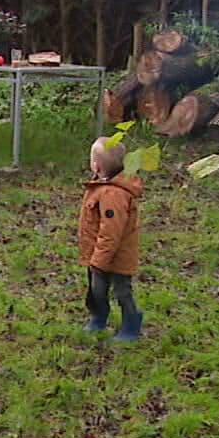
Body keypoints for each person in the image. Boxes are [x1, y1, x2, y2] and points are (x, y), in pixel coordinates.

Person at [79, 137, 146, 341]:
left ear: (96, 165)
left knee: (121, 291)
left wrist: (99, 260)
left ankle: (131, 324)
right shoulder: (101, 186)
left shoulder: (113, 195)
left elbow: (111, 232)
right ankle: (99, 317)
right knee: (96, 289)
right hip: (99, 253)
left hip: (116, 257)